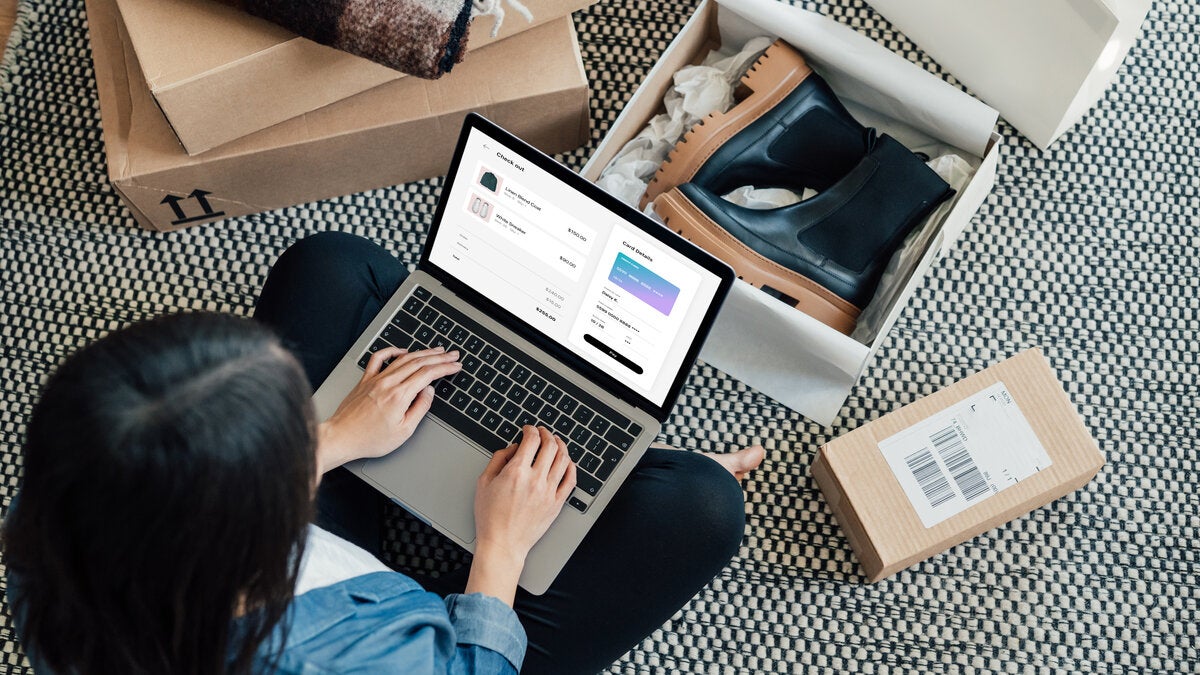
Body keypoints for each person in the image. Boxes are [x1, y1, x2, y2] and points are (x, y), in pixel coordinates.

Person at [3, 232, 764, 674]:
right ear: (259, 527)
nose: (311, 414)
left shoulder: (60, 519)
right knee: (698, 506)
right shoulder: (368, 660)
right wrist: (500, 547)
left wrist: (338, 435)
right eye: (293, 430)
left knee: (329, 264)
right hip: (430, 634)